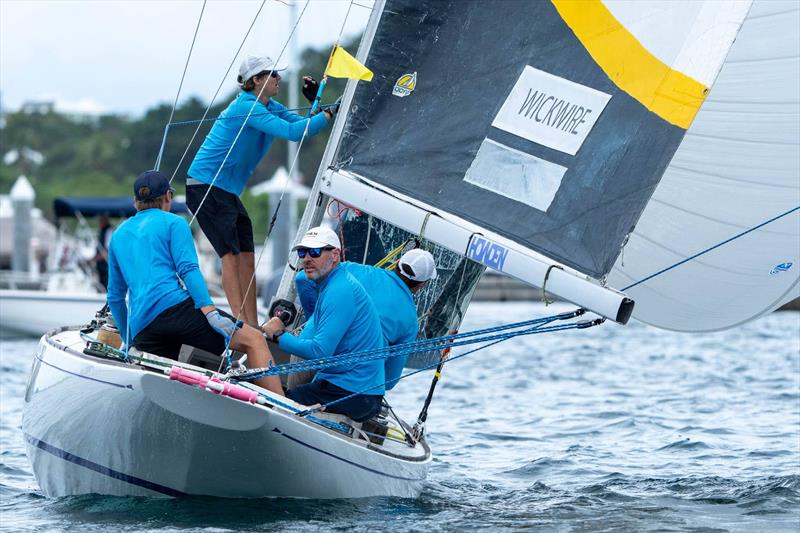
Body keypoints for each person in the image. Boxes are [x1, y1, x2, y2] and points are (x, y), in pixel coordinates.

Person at [186, 55, 335, 328]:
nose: (279, 78)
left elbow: (302, 127)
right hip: (204, 185)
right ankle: (241, 325)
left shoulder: (270, 106)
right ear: (257, 80)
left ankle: (252, 326)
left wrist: (317, 103)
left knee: (247, 256)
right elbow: (292, 132)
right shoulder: (247, 107)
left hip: (226, 191)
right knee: (229, 255)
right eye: (273, 74)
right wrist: (328, 114)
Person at [107, 170, 283, 396]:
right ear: (168, 197)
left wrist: (129, 339)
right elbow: (188, 269)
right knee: (254, 339)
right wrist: (210, 312)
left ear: (135, 202)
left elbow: (115, 297)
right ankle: (288, 415)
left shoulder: (118, 235)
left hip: (143, 328)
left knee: (168, 387)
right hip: (177, 313)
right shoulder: (174, 222)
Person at [262, 226, 386, 421]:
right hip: (348, 388)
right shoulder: (331, 284)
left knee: (275, 402)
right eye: (302, 252)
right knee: (278, 393)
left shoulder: (339, 290)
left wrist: (278, 335)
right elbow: (308, 340)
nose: (306, 258)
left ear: (335, 255)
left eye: (315, 252)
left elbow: (320, 352)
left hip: (357, 395)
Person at [295, 248, 437, 390]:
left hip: (307, 349)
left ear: (397, 263)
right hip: (345, 378)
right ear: (422, 284)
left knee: (286, 400)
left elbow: (302, 279)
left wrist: (317, 318)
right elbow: (388, 380)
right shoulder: (410, 321)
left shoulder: (353, 269)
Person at [92, 214, 114, 290]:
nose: (99, 223)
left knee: (106, 286)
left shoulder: (109, 231)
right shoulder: (102, 231)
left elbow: (107, 251)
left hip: (107, 267)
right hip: (101, 266)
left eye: (100, 220)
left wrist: (95, 259)